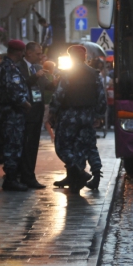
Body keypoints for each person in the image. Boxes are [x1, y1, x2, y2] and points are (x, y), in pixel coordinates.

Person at [50, 45, 107, 192]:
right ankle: (95, 177)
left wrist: (52, 112)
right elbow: (101, 96)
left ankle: (78, 172)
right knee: (88, 145)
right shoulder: (94, 74)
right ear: (85, 57)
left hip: (69, 115)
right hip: (88, 115)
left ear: (71, 57)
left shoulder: (68, 74)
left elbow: (59, 95)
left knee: (63, 146)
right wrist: (99, 115)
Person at [16, 41, 54, 189]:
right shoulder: (18, 67)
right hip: (25, 111)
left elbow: (46, 86)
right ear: (29, 53)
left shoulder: (38, 67)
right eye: (38, 54)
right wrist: (34, 77)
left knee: (32, 146)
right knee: (24, 146)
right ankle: (23, 175)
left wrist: (56, 81)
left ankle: (29, 174)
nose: (40, 56)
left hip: (37, 111)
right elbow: (19, 85)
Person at [0, 39, 31, 191]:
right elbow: (13, 91)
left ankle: (11, 177)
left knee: (9, 143)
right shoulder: (9, 68)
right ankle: (10, 178)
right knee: (13, 145)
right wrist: (25, 103)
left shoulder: (0, 66)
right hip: (12, 113)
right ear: (19, 52)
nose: (23, 54)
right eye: (23, 52)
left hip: (5, 110)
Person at [42, 61, 57, 143]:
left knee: (46, 120)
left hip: (44, 100)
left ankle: (52, 136)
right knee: (46, 120)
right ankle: (52, 136)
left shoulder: (42, 75)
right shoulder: (51, 77)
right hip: (47, 101)